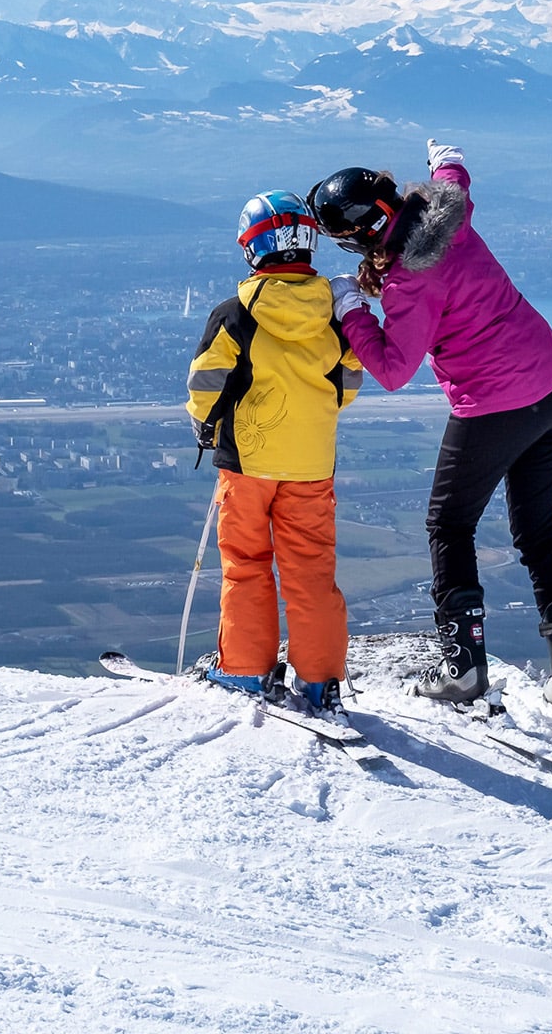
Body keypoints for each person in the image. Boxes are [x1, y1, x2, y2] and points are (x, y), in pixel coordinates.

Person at [308, 141, 552, 715]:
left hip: (494, 405)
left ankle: (464, 668)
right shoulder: (450, 213)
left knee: (448, 523)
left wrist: (352, 312)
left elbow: (392, 368)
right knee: (539, 531)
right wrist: (446, 154)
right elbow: (453, 176)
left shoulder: (411, 284)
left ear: (365, 235)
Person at [185, 190, 363, 713]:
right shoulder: (334, 314)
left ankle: (244, 670)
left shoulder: (235, 314)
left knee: (246, 564)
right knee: (311, 572)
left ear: (252, 247)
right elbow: (348, 382)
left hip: (247, 463)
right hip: (311, 464)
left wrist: (208, 428)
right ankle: (320, 680)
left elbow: (204, 388)